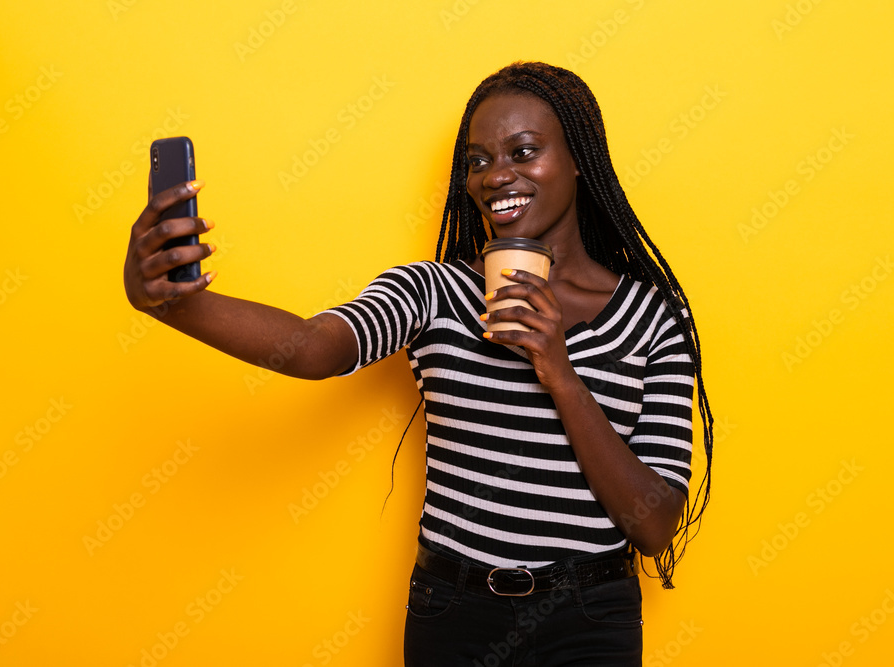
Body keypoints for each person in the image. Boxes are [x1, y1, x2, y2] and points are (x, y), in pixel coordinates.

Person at [123, 61, 713, 666]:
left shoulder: (654, 316)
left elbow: (657, 524)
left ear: (580, 158)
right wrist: (171, 304)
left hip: (589, 621)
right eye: (478, 161)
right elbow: (313, 346)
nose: (496, 176)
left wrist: (558, 371)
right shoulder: (432, 292)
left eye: (524, 151)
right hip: (454, 615)